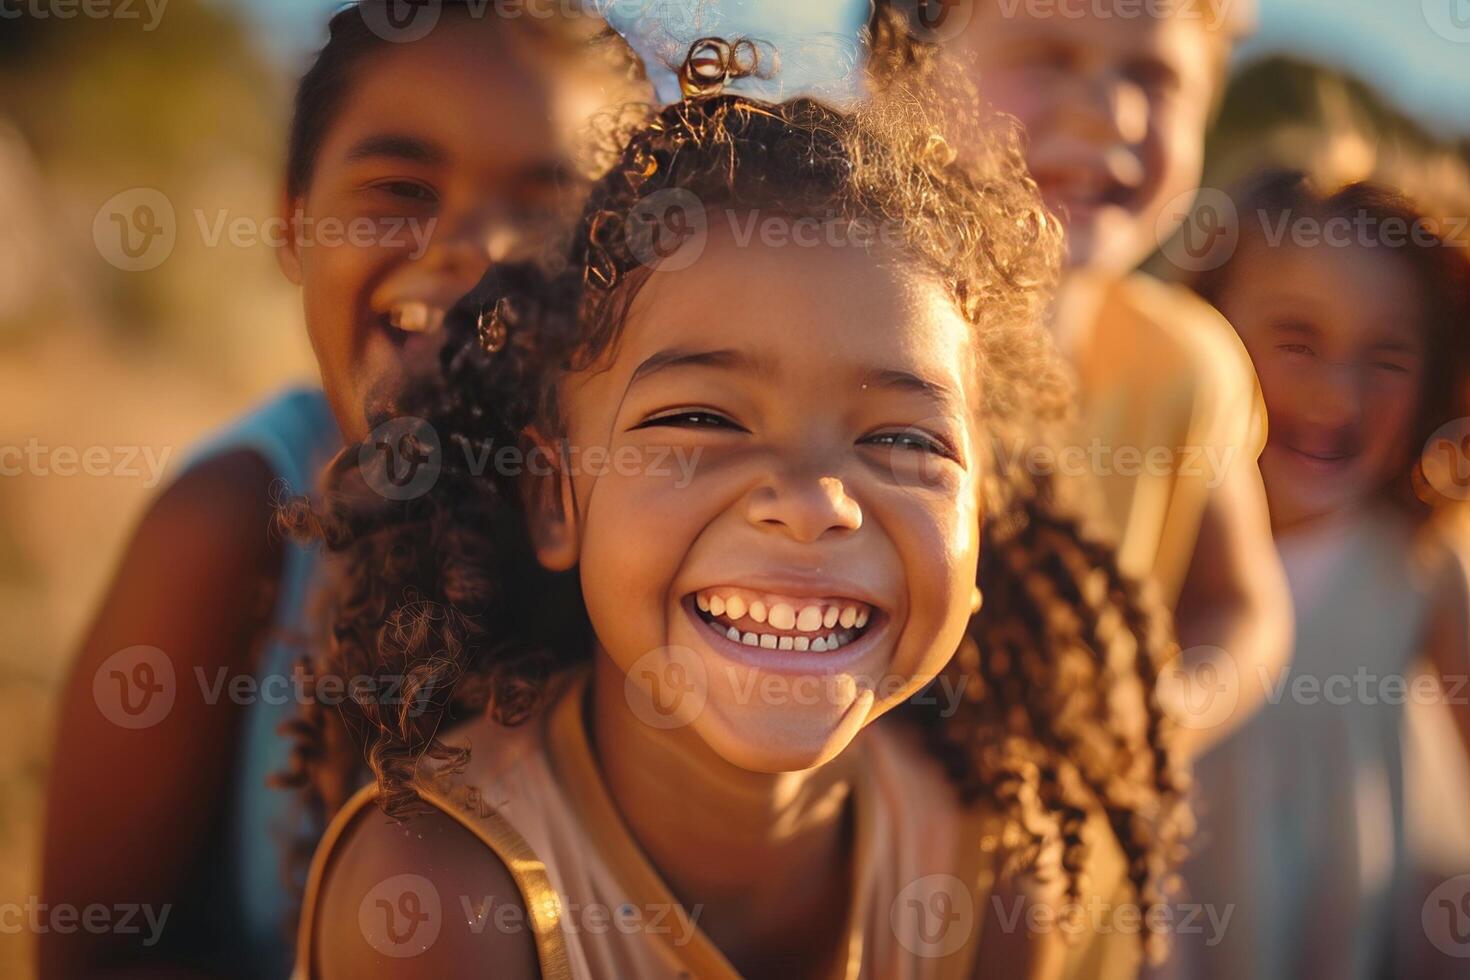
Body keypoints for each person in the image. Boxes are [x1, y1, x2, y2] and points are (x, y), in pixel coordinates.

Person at [284, 40, 1192, 980]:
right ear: (556, 499)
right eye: (701, 419)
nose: (810, 505)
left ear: (981, 519)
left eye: (905, 441)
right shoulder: (443, 898)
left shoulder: (998, 872)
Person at [38, 4, 634, 977]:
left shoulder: (664, 537)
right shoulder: (232, 526)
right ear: (291, 224)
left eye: (547, 212)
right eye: (400, 187)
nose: (473, 246)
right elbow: (86, 955)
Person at [868, 0, 1292, 753]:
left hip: (1069, 845)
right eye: (1049, 57)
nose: (1110, 113)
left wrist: (1158, 721)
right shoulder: (837, 337)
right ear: (901, 76)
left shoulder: (1190, 361)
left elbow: (1242, 607)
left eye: (1154, 76)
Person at [1177, 170, 1470, 979]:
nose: (1337, 393)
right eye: (1297, 340)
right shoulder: (1150, 528)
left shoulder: (1417, 562)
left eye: (1386, 358)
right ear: (1203, 335)